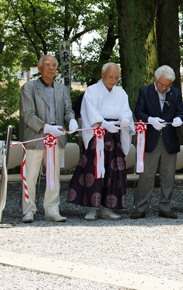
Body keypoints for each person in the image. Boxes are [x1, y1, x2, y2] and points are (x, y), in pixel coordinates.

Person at [67, 62, 135, 220]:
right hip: (97, 136)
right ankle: (92, 208)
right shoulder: (91, 91)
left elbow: (126, 111)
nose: (113, 80)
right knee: (93, 170)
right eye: (110, 76)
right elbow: (89, 112)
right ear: (102, 74)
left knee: (114, 172)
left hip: (115, 136)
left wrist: (125, 120)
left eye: (117, 77)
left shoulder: (121, 92)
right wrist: (104, 124)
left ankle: (107, 208)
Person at [19, 55, 78, 223]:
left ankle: (52, 210)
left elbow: (68, 110)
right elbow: (27, 115)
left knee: (53, 175)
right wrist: (45, 127)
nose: (51, 68)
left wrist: (71, 119)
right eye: (47, 65)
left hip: (56, 137)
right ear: (39, 68)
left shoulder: (62, 89)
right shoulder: (28, 88)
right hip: (35, 136)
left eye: (54, 65)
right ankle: (28, 210)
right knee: (30, 174)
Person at [131, 65, 183, 219]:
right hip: (151, 138)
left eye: (167, 85)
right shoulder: (145, 91)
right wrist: (150, 120)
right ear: (155, 79)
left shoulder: (175, 93)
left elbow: (181, 111)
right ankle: (140, 207)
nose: (164, 88)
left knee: (168, 176)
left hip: (169, 139)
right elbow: (138, 111)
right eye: (161, 84)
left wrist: (178, 119)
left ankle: (165, 207)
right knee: (147, 175)